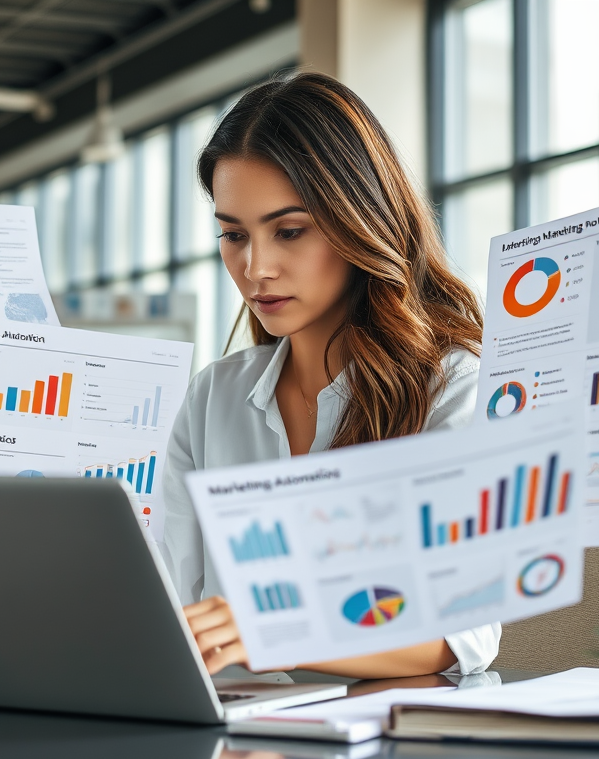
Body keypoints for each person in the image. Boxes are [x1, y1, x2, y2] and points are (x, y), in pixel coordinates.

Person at [160, 72, 499, 679]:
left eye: (289, 231)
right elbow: (171, 601)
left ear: (359, 222)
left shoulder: (452, 388)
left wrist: (270, 631)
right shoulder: (215, 395)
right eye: (233, 235)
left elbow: (459, 635)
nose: (255, 267)